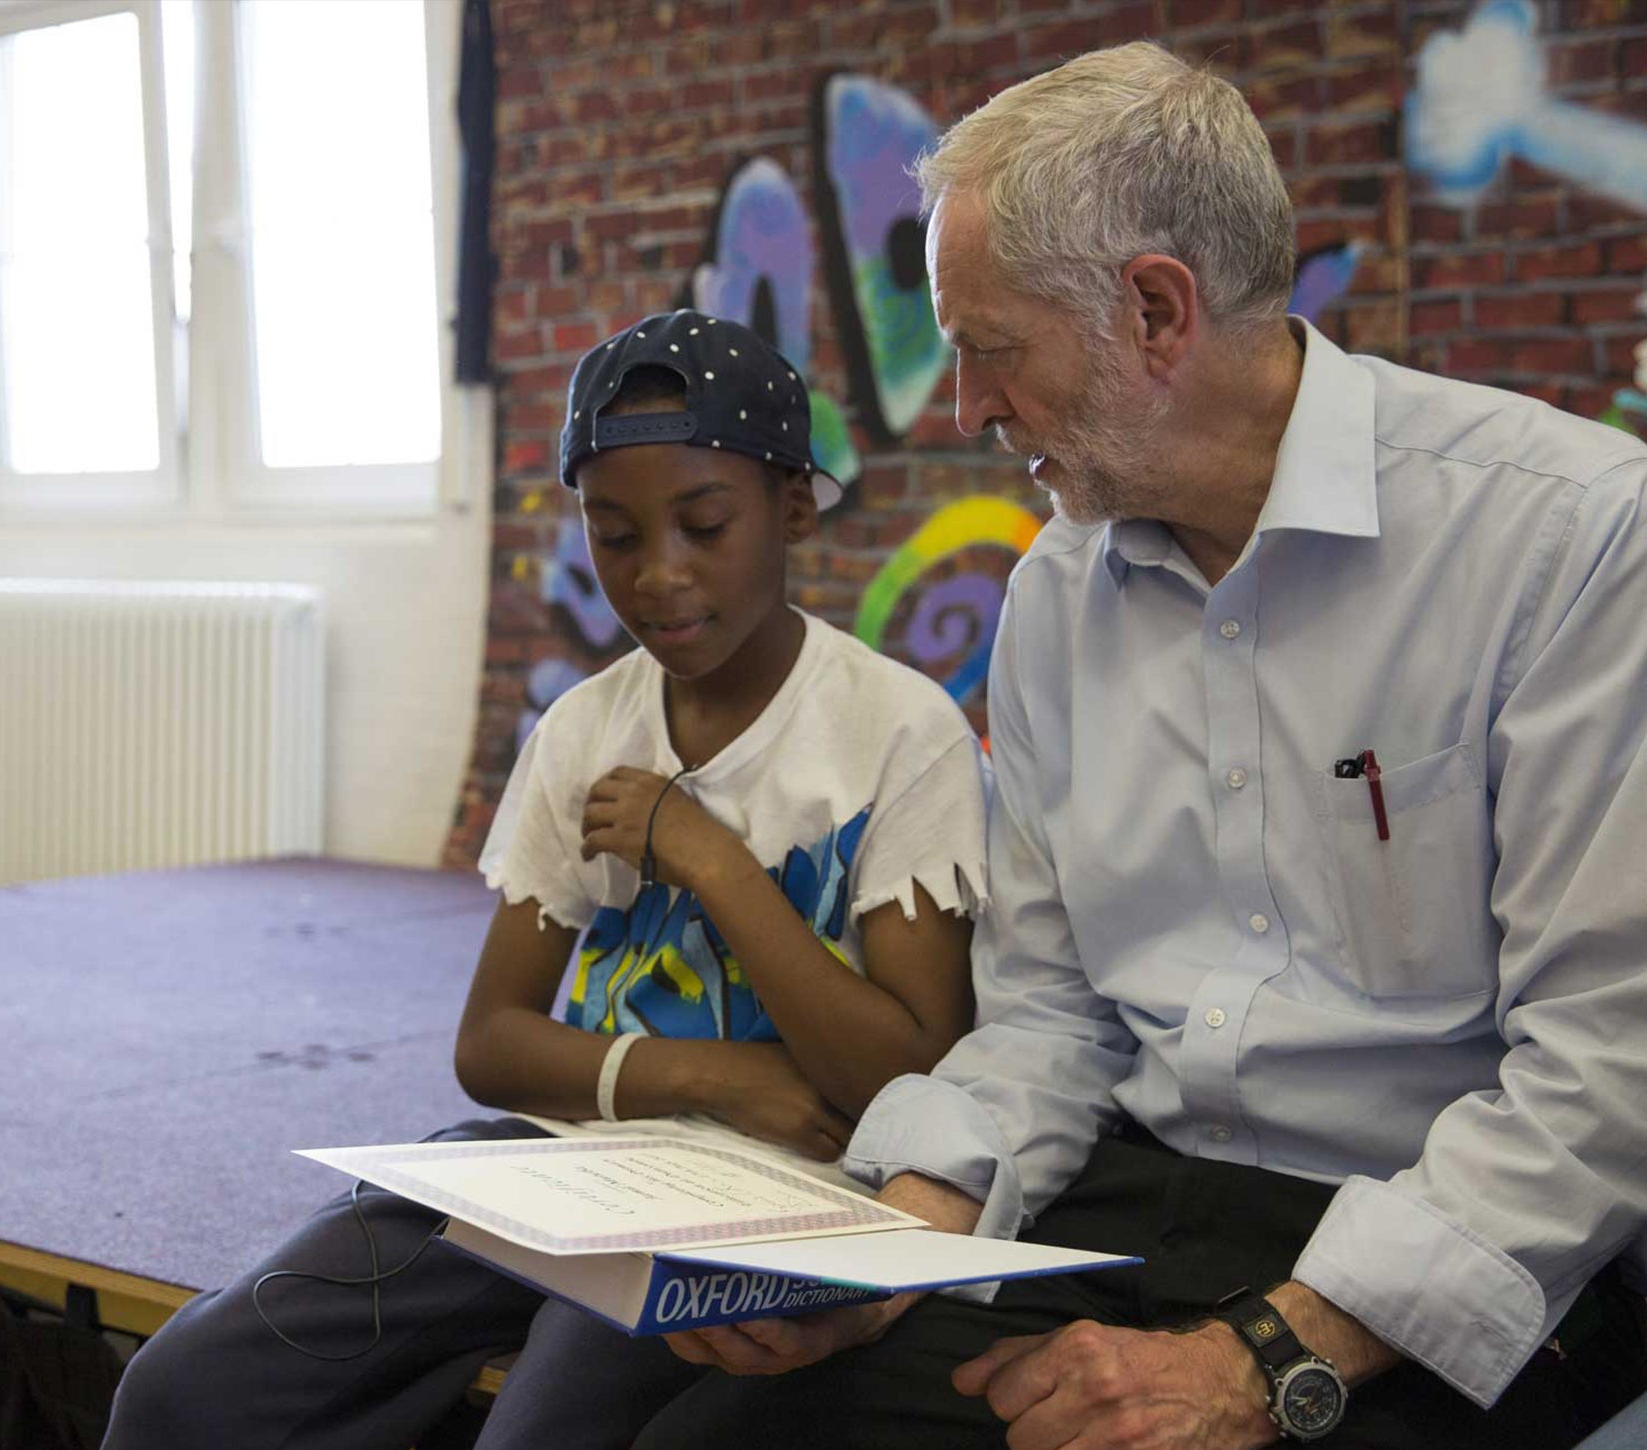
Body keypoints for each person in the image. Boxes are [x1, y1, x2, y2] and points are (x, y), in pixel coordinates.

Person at [624, 41, 1647, 1450]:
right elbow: (1052, 1016)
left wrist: (1258, 1358)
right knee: (710, 1438)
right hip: (1140, 1195)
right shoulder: (1057, 594)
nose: (965, 410)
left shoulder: (1571, 534)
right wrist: (891, 1245)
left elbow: (1613, 1066)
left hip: (1466, 1254)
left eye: (989, 349)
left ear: (1154, 309)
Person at [100, 310, 992, 1450]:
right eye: (613, 535)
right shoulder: (583, 727)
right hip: (556, 1164)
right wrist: (711, 1075)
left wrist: (709, 858)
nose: (658, 575)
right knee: (186, 1386)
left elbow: (906, 1070)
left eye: (703, 524)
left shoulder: (895, 732)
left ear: (794, 509)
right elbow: (491, 1045)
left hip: (760, 1202)